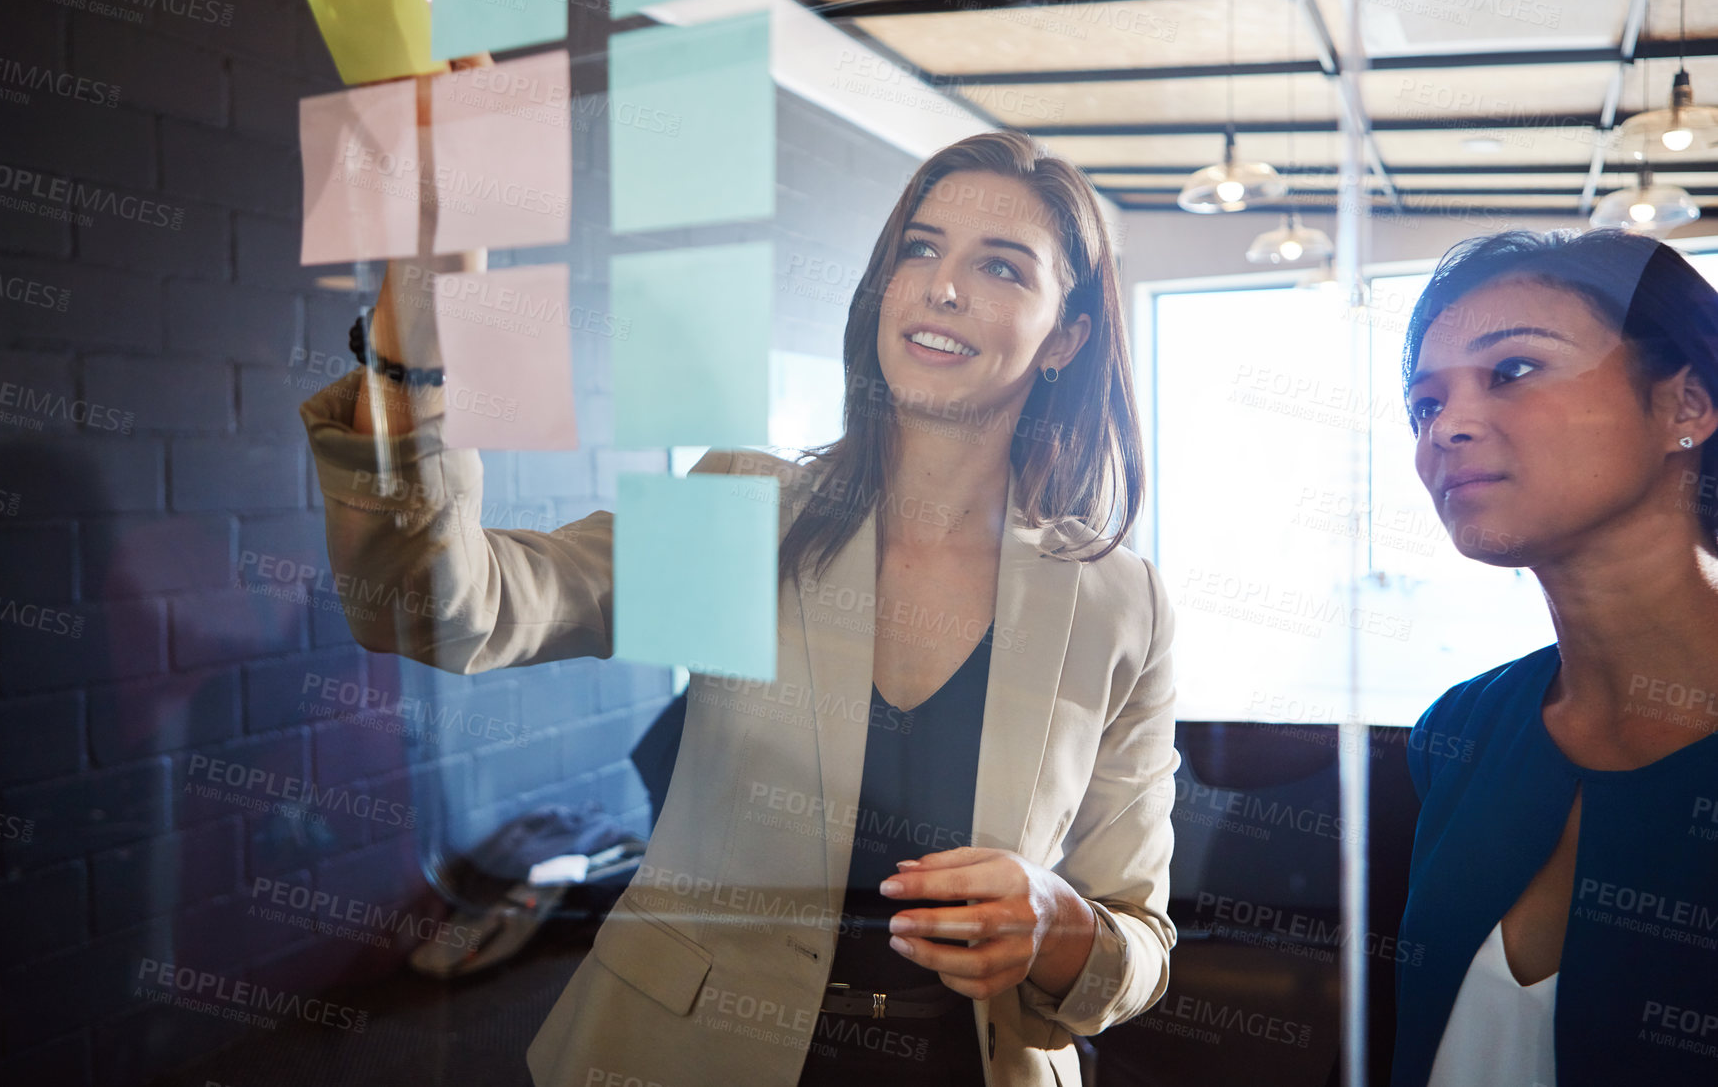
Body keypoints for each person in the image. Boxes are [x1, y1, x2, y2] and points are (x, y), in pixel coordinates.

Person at [299, 129, 1181, 1087]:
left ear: (1066, 336)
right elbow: (436, 608)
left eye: (1001, 267)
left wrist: (1060, 929)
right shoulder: (743, 510)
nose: (943, 288)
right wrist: (414, 359)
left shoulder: (1118, 604)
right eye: (919, 250)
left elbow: (1138, 936)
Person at [1391, 228, 1718, 1087]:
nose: (1448, 427)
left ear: (1685, 405)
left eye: (1516, 371)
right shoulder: (1461, 731)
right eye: (1425, 405)